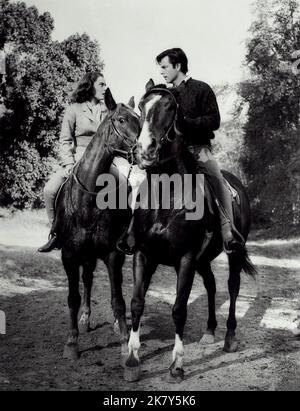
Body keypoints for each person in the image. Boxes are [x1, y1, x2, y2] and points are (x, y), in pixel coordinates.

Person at [156, 47, 245, 253]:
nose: (161, 72)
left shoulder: (201, 89)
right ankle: (136, 230)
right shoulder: (164, 95)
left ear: (178, 66)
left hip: (199, 149)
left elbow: (214, 120)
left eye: (164, 67)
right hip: (171, 155)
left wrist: (187, 123)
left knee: (216, 177)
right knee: (147, 180)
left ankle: (227, 230)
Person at [38, 71, 107, 252]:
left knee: (124, 186)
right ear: (90, 86)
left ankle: (124, 234)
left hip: (104, 160)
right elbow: (65, 140)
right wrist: (68, 163)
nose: (105, 88)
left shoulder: (108, 110)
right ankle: (55, 233)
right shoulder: (74, 109)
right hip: (78, 158)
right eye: (101, 84)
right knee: (49, 190)